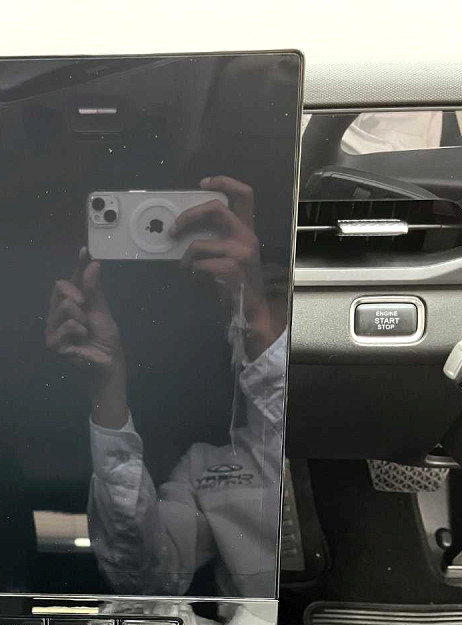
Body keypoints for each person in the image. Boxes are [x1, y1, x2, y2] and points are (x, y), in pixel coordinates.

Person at [45, 176, 287, 598]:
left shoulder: (368, 416)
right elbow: (141, 577)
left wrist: (256, 319)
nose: (252, 305)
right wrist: (107, 388)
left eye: (277, 292)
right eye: (240, 294)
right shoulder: (204, 468)